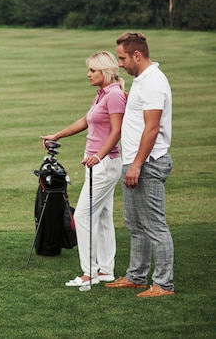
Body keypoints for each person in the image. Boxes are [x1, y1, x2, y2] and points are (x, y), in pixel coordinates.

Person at [41, 51, 126, 288]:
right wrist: (57, 135)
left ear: (105, 72)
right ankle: (106, 270)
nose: (88, 74)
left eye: (93, 70)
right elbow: (85, 121)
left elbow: (116, 132)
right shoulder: (102, 94)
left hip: (104, 163)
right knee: (103, 216)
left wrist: (98, 156)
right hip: (100, 162)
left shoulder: (115, 96)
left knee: (83, 216)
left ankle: (89, 273)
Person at [105, 32, 175, 298]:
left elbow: (152, 128)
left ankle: (164, 285)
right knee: (135, 224)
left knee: (155, 226)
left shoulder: (153, 82)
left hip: (147, 163)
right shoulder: (142, 80)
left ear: (137, 55)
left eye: (122, 58)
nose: (120, 64)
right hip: (134, 162)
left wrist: (136, 165)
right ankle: (136, 276)